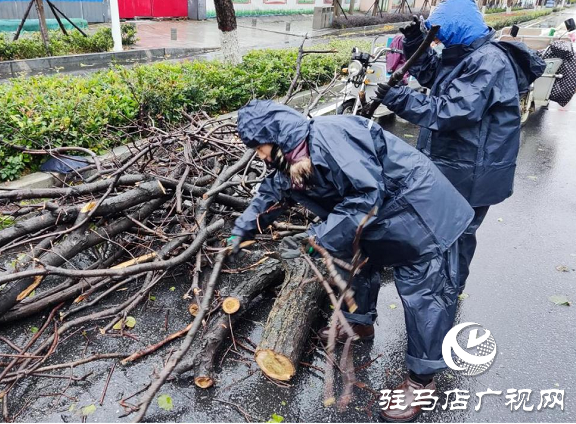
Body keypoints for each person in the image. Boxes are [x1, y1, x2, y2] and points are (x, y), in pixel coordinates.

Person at [229, 100, 474, 422]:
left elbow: (365, 196)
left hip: (420, 217)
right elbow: (272, 193)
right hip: (378, 222)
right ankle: (359, 322)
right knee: (356, 263)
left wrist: (320, 238)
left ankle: (421, 380)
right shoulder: (293, 156)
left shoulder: (332, 138)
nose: (259, 156)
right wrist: (243, 228)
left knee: (425, 297)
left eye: (259, 147)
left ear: (276, 137)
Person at [374, 0, 543, 292]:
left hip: (475, 170)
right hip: (461, 164)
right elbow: (435, 76)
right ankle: (441, 290)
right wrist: (417, 41)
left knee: (458, 234)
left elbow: (452, 110)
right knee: (445, 230)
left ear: (456, 28)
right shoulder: (468, 54)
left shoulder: (488, 61)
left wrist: (401, 100)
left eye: (440, 33)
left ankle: (448, 294)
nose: (437, 40)